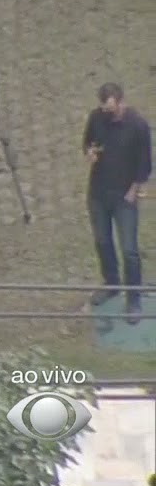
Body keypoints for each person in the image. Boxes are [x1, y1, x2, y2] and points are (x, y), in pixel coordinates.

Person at [82, 82, 150, 322]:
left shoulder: (138, 126)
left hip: (124, 196)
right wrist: (89, 153)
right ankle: (111, 283)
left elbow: (145, 163)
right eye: (105, 109)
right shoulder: (96, 118)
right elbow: (87, 142)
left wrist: (134, 190)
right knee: (102, 241)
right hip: (98, 193)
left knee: (129, 249)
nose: (108, 114)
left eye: (112, 109)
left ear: (121, 102)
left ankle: (134, 299)